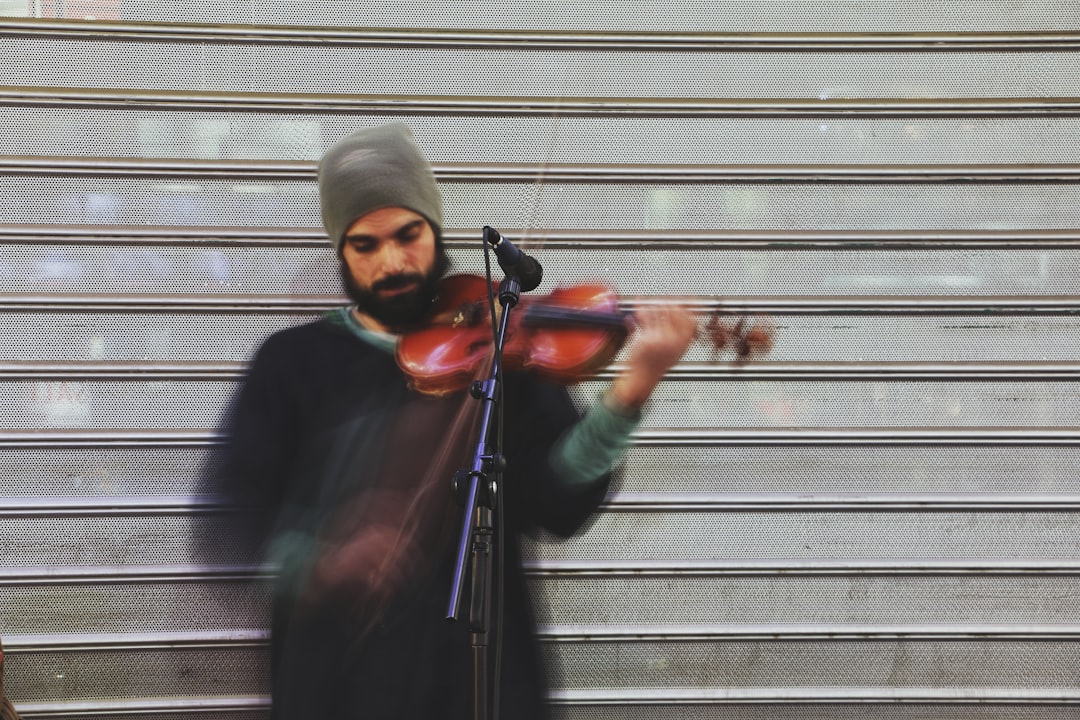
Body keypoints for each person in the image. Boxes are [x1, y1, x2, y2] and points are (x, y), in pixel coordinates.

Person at [211, 123, 696, 719]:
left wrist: (628, 395)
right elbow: (233, 525)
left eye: (408, 235)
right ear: (340, 249)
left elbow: (558, 499)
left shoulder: (499, 341)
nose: (392, 261)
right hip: (336, 687)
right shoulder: (290, 364)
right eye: (365, 245)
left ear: (434, 228)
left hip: (481, 685)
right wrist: (323, 561)